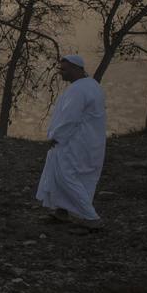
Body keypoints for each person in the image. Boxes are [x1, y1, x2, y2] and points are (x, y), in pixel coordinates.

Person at [37, 55, 107, 231]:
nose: (61, 73)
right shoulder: (92, 85)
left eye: (64, 69)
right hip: (89, 143)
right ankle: (61, 211)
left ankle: (91, 218)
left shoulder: (78, 90)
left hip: (74, 142)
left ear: (76, 69)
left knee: (66, 177)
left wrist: (56, 136)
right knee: (74, 177)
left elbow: (70, 118)